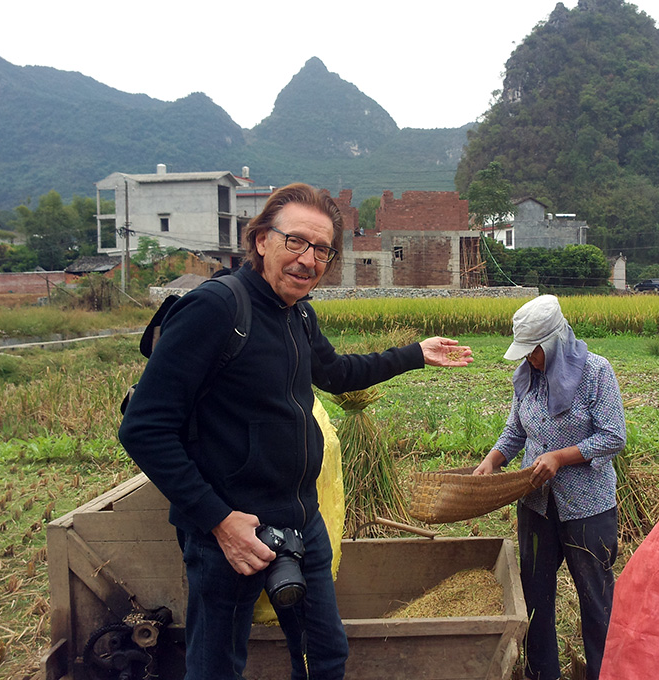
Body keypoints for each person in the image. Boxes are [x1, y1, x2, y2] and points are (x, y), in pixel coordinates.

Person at [118, 183, 472, 680]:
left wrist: (415, 354)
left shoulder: (298, 314)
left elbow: (335, 374)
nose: (309, 259)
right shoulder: (217, 308)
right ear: (261, 239)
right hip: (230, 532)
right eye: (296, 242)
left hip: (300, 523)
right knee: (217, 666)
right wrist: (220, 521)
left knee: (325, 656)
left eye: (322, 250)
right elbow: (144, 429)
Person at [473, 295, 626, 680]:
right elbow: (515, 431)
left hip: (588, 507)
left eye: (534, 351)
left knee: (595, 598)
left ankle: (602, 673)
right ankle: (544, 673)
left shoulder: (595, 372)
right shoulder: (527, 377)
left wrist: (560, 456)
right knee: (535, 595)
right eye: (525, 353)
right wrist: (493, 459)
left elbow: (612, 436)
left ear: (555, 342)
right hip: (537, 504)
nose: (529, 359)